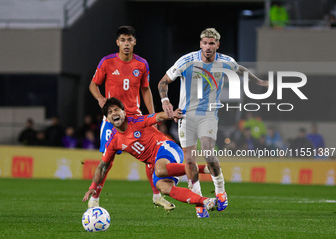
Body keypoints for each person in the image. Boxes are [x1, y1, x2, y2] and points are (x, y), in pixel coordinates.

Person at [158, 28, 268, 216]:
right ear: (200, 44)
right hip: (185, 115)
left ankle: (220, 189)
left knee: (208, 153)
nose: (207, 47)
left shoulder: (225, 61)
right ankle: (199, 200)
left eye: (211, 43)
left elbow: (239, 69)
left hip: (208, 114)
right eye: (204, 43)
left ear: (217, 45)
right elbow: (163, 82)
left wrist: (257, 82)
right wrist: (165, 101)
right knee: (190, 160)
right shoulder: (187, 61)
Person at [82, 98, 215, 218]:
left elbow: (157, 117)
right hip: (157, 164)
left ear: (124, 112)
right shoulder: (113, 141)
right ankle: (206, 201)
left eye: (116, 109)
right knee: (164, 188)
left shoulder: (136, 121)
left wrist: (171, 114)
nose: (114, 113)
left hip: (167, 148)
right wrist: (93, 186)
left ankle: (203, 169)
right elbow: (102, 166)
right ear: (108, 119)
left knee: (159, 169)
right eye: (110, 112)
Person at [88, 26, 171, 210]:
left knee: (152, 156)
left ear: (135, 42)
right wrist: (101, 99)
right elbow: (93, 85)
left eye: (130, 40)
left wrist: (153, 115)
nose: (126, 44)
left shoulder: (142, 64)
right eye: (123, 40)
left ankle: (157, 196)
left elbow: (145, 89)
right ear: (118, 42)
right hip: (113, 119)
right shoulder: (107, 62)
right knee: (106, 161)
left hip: (135, 118)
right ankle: (95, 198)